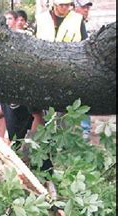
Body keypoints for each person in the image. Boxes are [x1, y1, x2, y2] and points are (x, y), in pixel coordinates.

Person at [74, 0, 93, 139]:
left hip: (82, 66)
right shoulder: (72, 22)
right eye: (84, 7)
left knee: (83, 97)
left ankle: (85, 129)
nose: (86, 9)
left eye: (87, 7)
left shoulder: (86, 23)